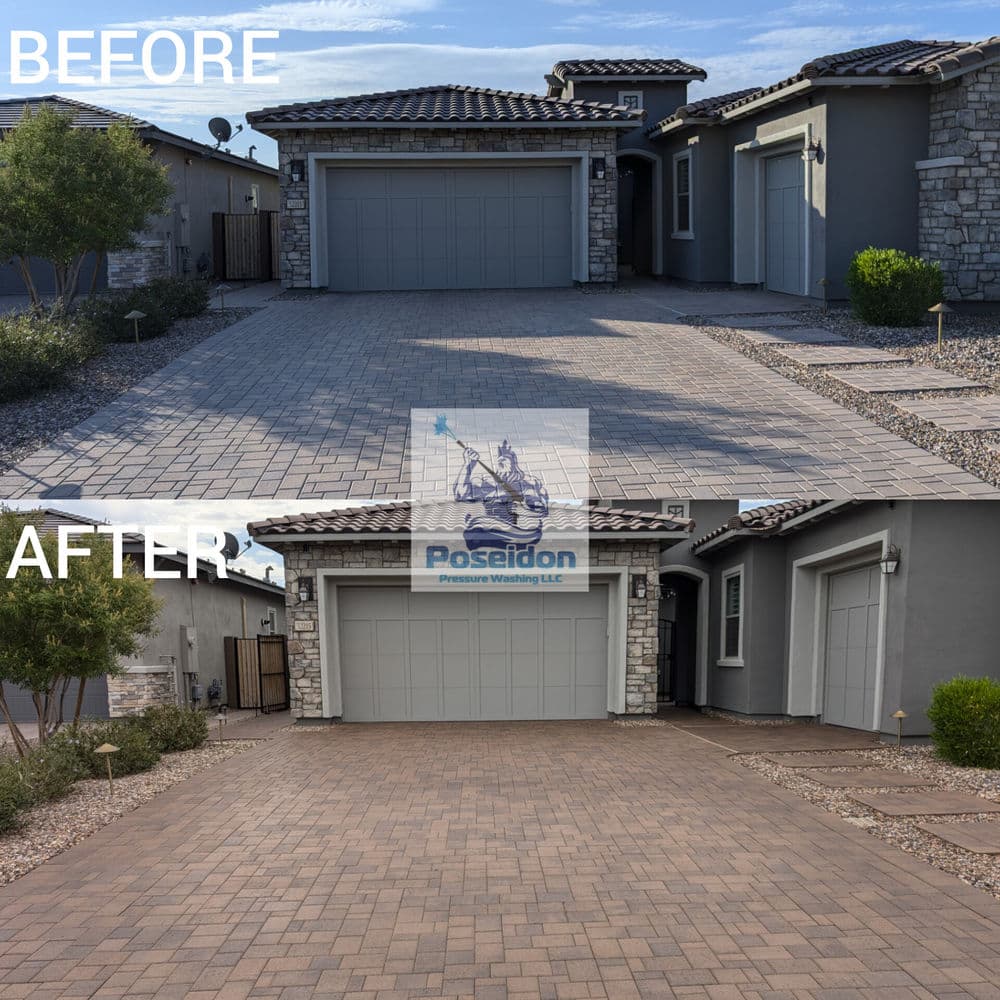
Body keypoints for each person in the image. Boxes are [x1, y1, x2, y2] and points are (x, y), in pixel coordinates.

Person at [453, 440, 549, 550]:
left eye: (506, 457)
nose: (501, 459)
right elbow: (461, 495)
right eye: (500, 458)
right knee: (477, 527)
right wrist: (468, 465)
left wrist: (525, 506)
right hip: (490, 529)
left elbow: (542, 510)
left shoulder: (530, 483)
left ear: (514, 463)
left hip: (524, 533)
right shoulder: (486, 482)